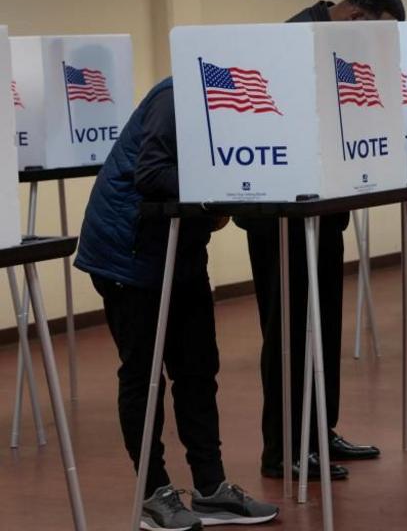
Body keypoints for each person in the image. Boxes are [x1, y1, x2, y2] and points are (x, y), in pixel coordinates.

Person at [76, 85, 278, 528]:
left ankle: (210, 488)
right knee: (144, 375)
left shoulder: (235, 105)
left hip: (178, 249)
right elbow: (151, 174)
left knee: (198, 368)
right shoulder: (177, 96)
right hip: (126, 252)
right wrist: (223, 186)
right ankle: (154, 493)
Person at [237, 0, 404, 481]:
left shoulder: (333, 40)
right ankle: (283, 449)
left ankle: (318, 431)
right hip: (280, 215)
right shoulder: (294, 40)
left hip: (326, 209)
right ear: (357, 17)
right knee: (288, 332)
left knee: (324, 323)